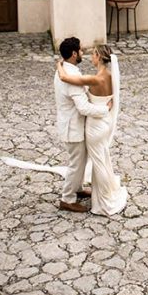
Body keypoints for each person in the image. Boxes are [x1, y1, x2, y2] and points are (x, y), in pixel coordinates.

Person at [57, 44, 128, 217]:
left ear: (99, 57)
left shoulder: (95, 79)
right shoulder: (109, 75)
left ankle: (104, 201)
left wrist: (59, 64)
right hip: (104, 123)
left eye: (93, 54)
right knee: (102, 158)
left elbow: (64, 78)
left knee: (98, 162)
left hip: (95, 125)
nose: (90, 56)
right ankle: (97, 192)